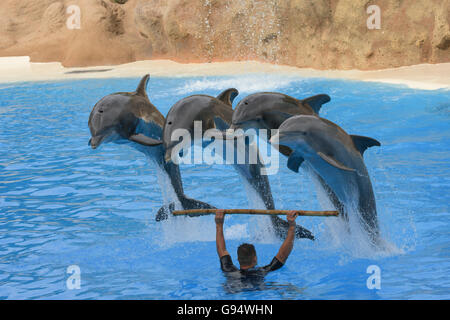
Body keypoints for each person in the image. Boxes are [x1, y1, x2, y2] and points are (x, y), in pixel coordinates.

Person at [215, 210, 298, 277]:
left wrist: (219, 224)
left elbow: (221, 250)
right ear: (255, 259)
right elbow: (282, 256)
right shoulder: (261, 273)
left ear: (238, 259)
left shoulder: (229, 271)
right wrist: (292, 226)